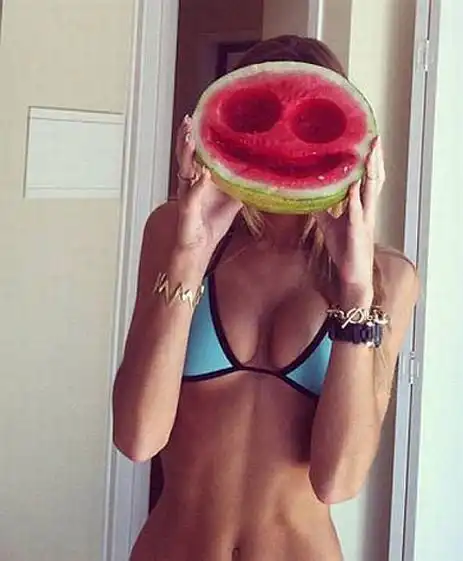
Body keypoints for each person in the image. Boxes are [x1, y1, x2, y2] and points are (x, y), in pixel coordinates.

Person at [112, 34, 419, 561]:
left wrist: (354, 292)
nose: (285, 145)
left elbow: (338, 480)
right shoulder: (172, 232)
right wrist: (190, 257)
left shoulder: (388, 276)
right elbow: (137, 437)